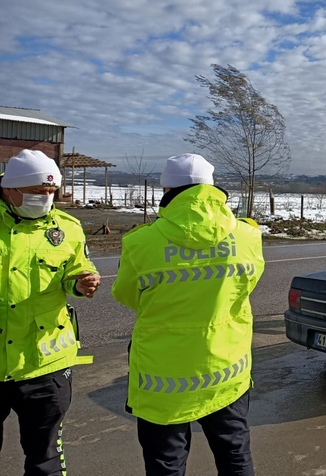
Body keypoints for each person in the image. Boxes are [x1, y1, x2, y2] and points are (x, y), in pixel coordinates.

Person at [111, 153, 265, 476]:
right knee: (235, 458)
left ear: (167, 191)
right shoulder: (248, 236)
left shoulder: (141, 244)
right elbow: (247, 284)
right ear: (211, 188)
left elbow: (126, 295)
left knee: (167, 466)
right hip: (227, 375)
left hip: (163, 384)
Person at [0, 149, 100, 476]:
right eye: (36, 193)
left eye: (50, 192)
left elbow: (74, 272)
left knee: (45, 460)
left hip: (45, 364)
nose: (45, 199)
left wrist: (80, 284)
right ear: (9, 189)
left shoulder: (67, 228)